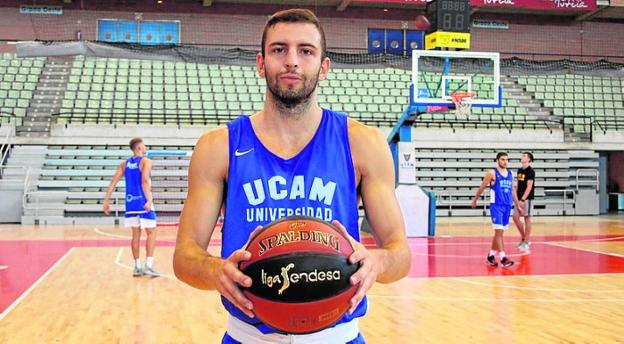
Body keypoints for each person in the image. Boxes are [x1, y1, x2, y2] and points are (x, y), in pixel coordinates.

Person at [173, 9, 411, 343]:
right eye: (279, 49)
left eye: (306, 51)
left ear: (324, 67)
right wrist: (215, 270)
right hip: (248, 336)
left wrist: (377, 263)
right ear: (260, 63)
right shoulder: (219, 147)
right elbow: (184, 256)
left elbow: (401, 253)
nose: (292, 61)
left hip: (338, 336)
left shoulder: (362, 144)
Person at [103, 137, 160, 278]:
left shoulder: (124, 164)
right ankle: (149, 266)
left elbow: (113, 181)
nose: (146, 148)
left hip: (131, 204)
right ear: (139, 148)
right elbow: (145, 181)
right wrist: (149, 200)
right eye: (144, 146)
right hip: (143, 202)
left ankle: (137, 267)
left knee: (135, 235)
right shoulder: (146, 161)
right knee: (151, 233)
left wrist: (106, 200)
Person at [472, 152, 515, 268]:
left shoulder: (511, 173)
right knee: (499, 232)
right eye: (502, 159)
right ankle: (503, 258)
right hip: (496, 206)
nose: (505, 162)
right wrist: (475, 199)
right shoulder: (492, 173)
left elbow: (512, 190)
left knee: (498, 233)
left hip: (507, 206)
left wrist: (517, 204)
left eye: (506, 160)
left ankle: (491, 256)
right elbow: (482, 187)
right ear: (497, 160)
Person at [512, 152, 535, 252]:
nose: (522, 157)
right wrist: (516, 198)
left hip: (527, 199)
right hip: (519, 198)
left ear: (529, 159)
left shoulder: (531, 171)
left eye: (524, 156)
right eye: (522, 155)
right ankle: (524, 237)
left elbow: (529, 187)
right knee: (515, 217)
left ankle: (526, 241)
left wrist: (523, 199)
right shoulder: (519, 170)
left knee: (527, 218)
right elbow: (518, 185)